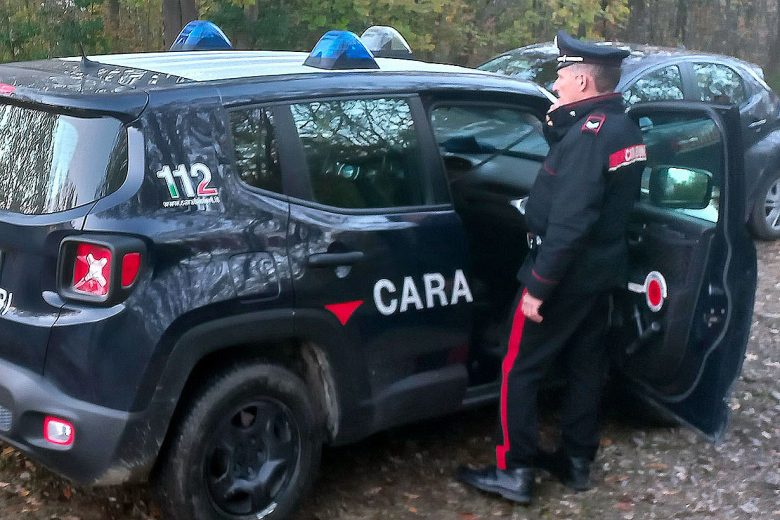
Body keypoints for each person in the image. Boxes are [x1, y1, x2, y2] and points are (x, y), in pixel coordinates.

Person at [457, 30, 646, 504]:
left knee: (518, 367)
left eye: (562, 75)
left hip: (563, 275)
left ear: (583, 81)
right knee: (586, 365)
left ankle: (513, 469)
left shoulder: (588, 137)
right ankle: (576, 461)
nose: (557, 83)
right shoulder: (623, 127)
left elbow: (571, 223)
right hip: (601, 273)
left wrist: (539, 287)